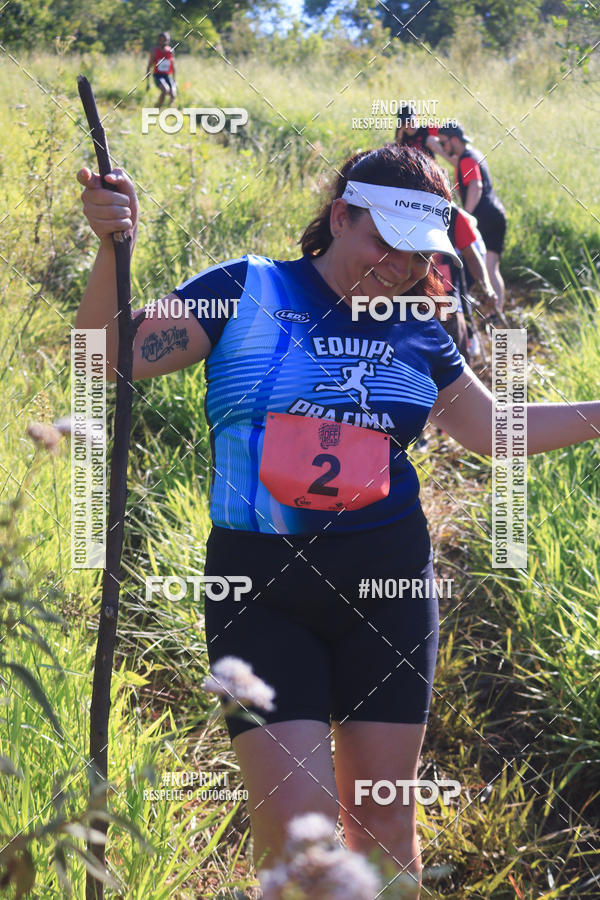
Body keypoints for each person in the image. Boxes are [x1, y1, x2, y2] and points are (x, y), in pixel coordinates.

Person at [76, 144, 600, 899]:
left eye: (413, 253)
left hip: (387, 593)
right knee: (301, 844)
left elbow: (493, 431)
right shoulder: (244, 290)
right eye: (376, 239)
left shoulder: (421, 333)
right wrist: (110, 247)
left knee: (384, 830)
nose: (391, 264)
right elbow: (107, 354)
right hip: (260, 598)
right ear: (338, 217)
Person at [437, 123, 507, 310]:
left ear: (454, 140)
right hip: (495, 214)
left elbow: (476, 186)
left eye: (443, 143)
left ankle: (488, 308)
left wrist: (465, 214)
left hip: (485, 217)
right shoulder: (473, 155)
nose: (442, 147)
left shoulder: (466, 159)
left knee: (484, 265)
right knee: (491, 267)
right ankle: (496, 310)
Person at [434, 202, 497, 363]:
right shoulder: (401, 208)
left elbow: (471, 255)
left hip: (446, 298)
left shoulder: (452, 214)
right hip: (407, 299)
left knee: (458, 354)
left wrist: (486, 286)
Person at [146, 31, 176, 110]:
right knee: (165, 90)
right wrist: (147, 82)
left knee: (173, 94)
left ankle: (168, 110)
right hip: (158, 75)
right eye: (163, 40)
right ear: (159, 40)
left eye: (167, 40)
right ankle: (157, 108)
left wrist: (174, 79)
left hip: (167, 75)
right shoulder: (154, 51)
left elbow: (173, 66)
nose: (165, 42)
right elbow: (149, 65)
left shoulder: (170, 51)